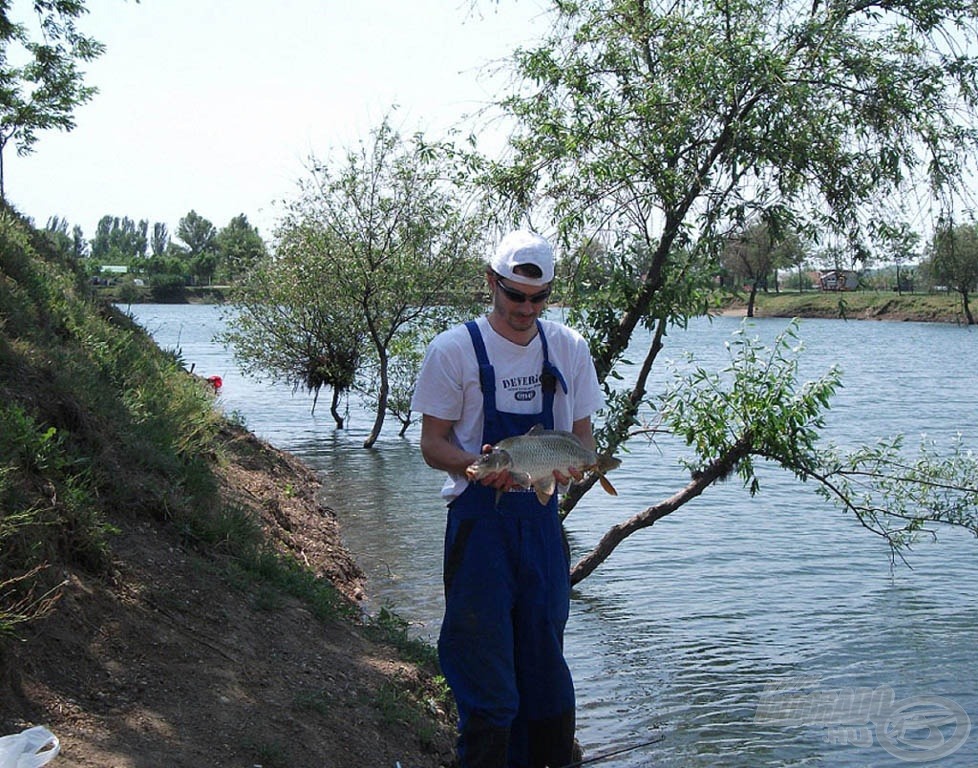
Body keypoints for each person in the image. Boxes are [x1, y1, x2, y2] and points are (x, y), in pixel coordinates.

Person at [411, 230, 604, 768]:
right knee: (485, 668)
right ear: (491, 283)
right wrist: (474, 467)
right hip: (480, 530)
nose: (526, 308)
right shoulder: (453, 350)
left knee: (546, 669)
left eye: (538, 298)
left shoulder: (568, 348)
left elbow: (584, 442)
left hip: (542, 528)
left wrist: (574, 469)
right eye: (515, 295)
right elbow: (432, 444)